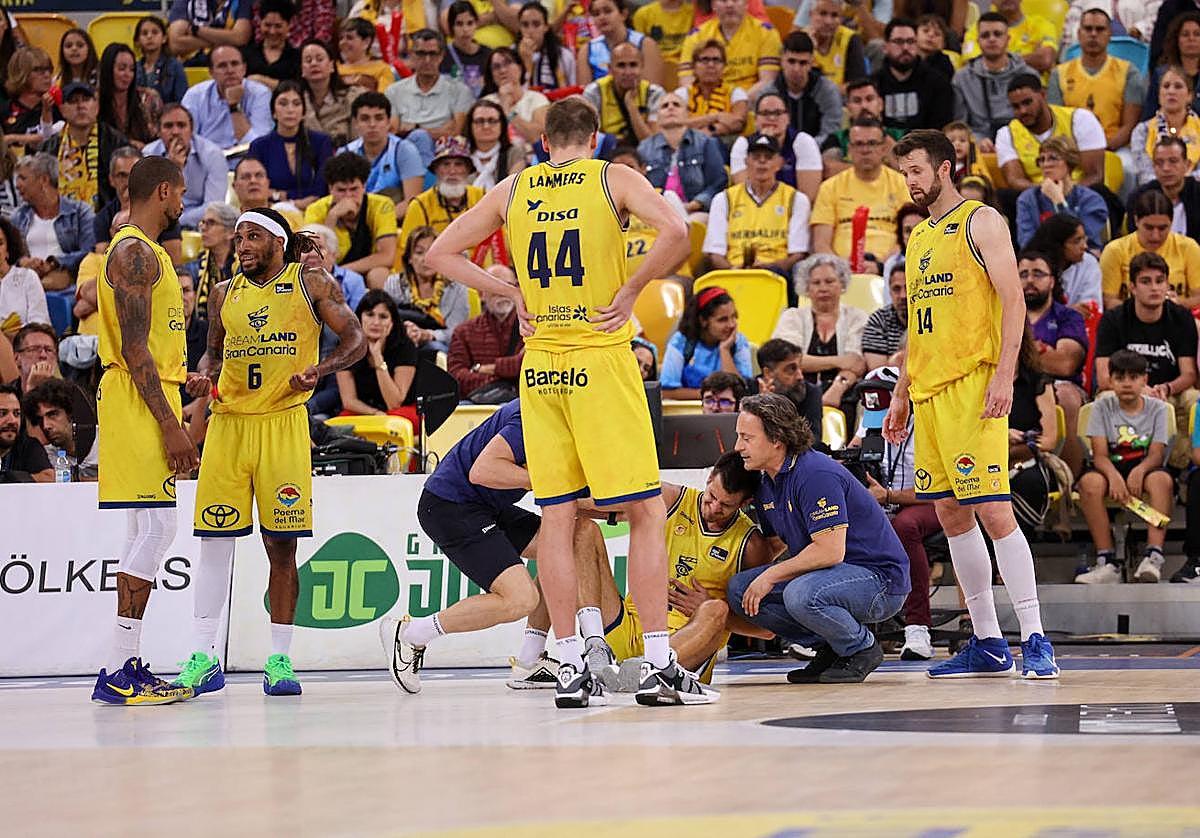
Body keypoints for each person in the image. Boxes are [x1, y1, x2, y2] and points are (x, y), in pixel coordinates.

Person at [423, 96, 705, 708]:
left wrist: (507, 288)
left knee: (556, 515)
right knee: (645, 512)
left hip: (543, 366)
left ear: (544, 142)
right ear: (596, 138)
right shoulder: (614, 177)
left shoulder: (515, 188)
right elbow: (679, 231)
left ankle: (570, 661)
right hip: (600, 356)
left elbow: (437, 254)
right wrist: (631, 291)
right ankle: (659, 662)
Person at [172, 207, 366, 698]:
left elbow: (356, 339)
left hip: (283, 425)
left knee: (282, 546)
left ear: (277, 242)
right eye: (238, 238)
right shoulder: (222, 293)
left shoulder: (311, 282)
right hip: (229, 427)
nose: (241, 245)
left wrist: (319, 371)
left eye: (252, 236)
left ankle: (279, 658)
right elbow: (213, 355)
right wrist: (204, 379)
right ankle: (202, 655)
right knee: (214, 543)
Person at [887, 128, 1059, 679]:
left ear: (944, 168)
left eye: (915, 170)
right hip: (930, 392)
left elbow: (1014, 299)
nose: (909, 182)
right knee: (950, 512)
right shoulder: (917, 239)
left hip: (975, 384)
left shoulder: (980, 220)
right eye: (904, 172)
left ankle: (1035, 637)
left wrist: (1005, 373)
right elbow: (917, 323)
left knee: (992, 509)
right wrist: (899, 392)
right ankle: (987, 640)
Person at [379, 399, 611, 694]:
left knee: (580, 534)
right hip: (450, 507)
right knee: (520, 599)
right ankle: (411, 634)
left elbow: (574, 498)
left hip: (488, 506)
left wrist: (634, 510)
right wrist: (549, 484)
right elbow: (483, 471)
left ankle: (539, 657)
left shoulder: (575, 419)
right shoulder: (536, 416)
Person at [89, 156, 199, 706]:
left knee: (143, 532)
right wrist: (169, 424)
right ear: (162, 191)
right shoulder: (135, 251)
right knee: (156, 531)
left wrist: (184, 380)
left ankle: (123, 664)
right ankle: (117, 667)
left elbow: (149, 346)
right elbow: (134, 350)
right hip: (137, 402)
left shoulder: (142, 251)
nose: (183, 204)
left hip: (147, 393)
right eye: (180, 193)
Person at [728, 393, 909, 682]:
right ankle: (831, 646)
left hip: (879, 581)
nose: (738, 447)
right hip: (828, 575)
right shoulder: (766, 481)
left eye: (747, 438)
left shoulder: (815, 473)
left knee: (799, 594)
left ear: (777, 439)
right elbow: (775, 546)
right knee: (740, 589)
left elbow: (830, 552)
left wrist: (770, 576)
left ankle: (861, 648)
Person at [588, 452, 775, 684]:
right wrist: (559, 502)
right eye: (711, 497)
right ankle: (592, 648)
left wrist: (705, 608)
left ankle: (654, 668)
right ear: (709, 480)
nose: (714, 508)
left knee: (716, 608)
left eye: (725, 505)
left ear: (745, 504)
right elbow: (600, 505)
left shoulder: (751, 545)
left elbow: (767, 630)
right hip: (627, 625)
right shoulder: (672, 499)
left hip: (683, 653)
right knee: (583, 533)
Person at [1074, 350, 1175, 585]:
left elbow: (1157, 454)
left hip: (1147, 466)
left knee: (1162, 481)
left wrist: (1139, 471)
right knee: (1089, 483)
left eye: (1133, 377)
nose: (1127, 383)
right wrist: (1115, 477)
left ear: (1144, 380)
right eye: (1120, 378)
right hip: (1110, 465)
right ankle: (1107, 560)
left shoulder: (1158, 408)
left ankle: (1154, 556)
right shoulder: (1101, 407)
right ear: (1110, 381)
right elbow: (1099, 455)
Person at [1095, 251, 1199, 468]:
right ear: (1132, 287)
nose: (1155, 287)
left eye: (1160, 281)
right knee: (1104, 398)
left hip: (1168, 391)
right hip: (1124, 388)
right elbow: (1104, 376)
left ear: (1168, 285)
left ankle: (1182, 469)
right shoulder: (1114, 319)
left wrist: (1166, 389)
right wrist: (1141, 389)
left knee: (1193, 400)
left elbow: (1189, 373)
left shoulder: (1181, 317)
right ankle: (1111, 463)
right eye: (1146, 281)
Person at [1020, 249, 1088, 479]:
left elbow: (1065, 364)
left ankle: (1067, 478)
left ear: (1052, 280)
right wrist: (1042, 352)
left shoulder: (1069, 317)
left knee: (1067, 396)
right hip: (1017, 385)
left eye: (1038, 274)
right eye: (1023, 274)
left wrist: (1018, 353)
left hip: (1062, 386)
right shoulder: (1003, 315)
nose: (1030, 280)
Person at [704, 133, 811, 277]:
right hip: (733, 272)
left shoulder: (796, 199)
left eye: (768, 157)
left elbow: (797, 254)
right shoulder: (724, 199)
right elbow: (715, 254)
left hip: (778, 274)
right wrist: (732, 270)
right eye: (756, 157)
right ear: (746, 162)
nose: (762, 162)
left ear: (780, 163)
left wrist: (769, 269)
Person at [773, 253, 867, 410]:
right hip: (796, 393)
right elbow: (787, 360)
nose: (823, 288)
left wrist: (837, 389)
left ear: (842, 284)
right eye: (816, 283)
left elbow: (856, 365)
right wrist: (839, 361)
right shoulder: (792, 316)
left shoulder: (857, 317)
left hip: (844, 393)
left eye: (829, 281)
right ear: (806, 288)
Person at [810, 115, 910, 261]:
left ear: (883, 148)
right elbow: (821, 244)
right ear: (850, 149)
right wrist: (843, 269)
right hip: (842, 270)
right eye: (859, 144)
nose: (865, 150)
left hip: (892, 268)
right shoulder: (830, 187)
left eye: (871, 143)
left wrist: (882, 266)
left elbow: (911, 236)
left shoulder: (903, 185)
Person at [1048, 9, 1144, 159]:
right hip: (1071, 149)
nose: (1093, 34)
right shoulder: (1059, 74)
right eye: (1088, 29)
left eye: (1100, 29)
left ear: (1109, 35)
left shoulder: (1128, 72)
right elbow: (1056, 124)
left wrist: (1102, 148)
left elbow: (1129, 126)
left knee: (1127, 169)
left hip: (1115, 147)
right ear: (1079, 34)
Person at [996, 73, 1107, 197]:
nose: (1023, 111)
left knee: (1099, 190)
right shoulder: (1006, 133)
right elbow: (1014, 181)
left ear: (1043, 95)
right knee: (1005, 196)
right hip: (1037, 197)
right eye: (1016, 106)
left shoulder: (1079, 119)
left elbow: (1095, 175)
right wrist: (1049, 191)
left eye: (1027, 102)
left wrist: (1066, 192)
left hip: (1080, 193)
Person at [304, 151, 398, 289]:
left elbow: (387, 256)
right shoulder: (315, 209)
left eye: (354, 189)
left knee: (378, 275)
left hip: (365, 269)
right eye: (341, 190)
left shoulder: (382, 205)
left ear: (364, 186)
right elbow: (314, 254)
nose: (348, 196)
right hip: (328, 271)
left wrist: (343, 272)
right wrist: (332, 217)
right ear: (330, 189)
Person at [38, 82, 128, 214]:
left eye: (86, 99)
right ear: (62, 109)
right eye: (73, 101)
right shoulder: (48, 149)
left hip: (105, 223)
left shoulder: (116, 143)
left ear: (96, 106)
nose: (81, 106)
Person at [1101, 188, 1200, 309]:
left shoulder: (1188, 247)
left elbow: (1198, 298)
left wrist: (1175, 305)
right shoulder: (1115, 250)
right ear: (1136, 221)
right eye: (1149, 227)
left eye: (1162, 228)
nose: (1155, 236)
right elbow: (1109, 301)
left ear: (1172, 222)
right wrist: (1144, 308)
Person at [12, 153, 95, 292]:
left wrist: (54, 263)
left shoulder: (80, 212)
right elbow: (8, 255)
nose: (17, 185)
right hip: (28, 277)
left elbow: (90, 251)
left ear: (44, 180)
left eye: (23, 178)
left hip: (67, 278)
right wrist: (23, 262)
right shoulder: (18, 217)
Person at [384, 30, 473, 158]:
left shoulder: (460, 91)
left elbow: (455, 132)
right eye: (421, 54)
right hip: (404, 155)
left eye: (433, 54)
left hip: (445, 156)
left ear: (442, 56)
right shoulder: (394, 91)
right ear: (411, 55)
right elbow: (393, 132)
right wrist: (441, 130)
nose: (427, 60)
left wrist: (414, 128)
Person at [335, 288, 419, 423]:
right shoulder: (346, 346)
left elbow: (394, 402)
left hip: (401, 411)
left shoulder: (405, 346)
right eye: (370, 314)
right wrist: (374, 413)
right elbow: (349, 400)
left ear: (392, 322)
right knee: (341, 423)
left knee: (397, 421)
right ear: (359, 318)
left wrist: (377, 357)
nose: (376, 322)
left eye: (383, 317)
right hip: (364, 410)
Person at [638, 93, 727, 220]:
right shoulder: (644, 148)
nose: (670, 108)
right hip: (658, 213)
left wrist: (694, 204)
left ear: (687, 114)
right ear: (657, 117)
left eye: (676, 105)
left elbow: (718, 182)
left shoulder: (706, 142)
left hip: (696, 212)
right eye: (664, 106)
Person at [384, 225, 470, 356]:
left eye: (432, 251)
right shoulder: (394, 284)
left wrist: (429, 335)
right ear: (409, 258)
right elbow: (386, 320)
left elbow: (458, 331)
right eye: (419, 252)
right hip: (402, 341)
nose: (426, 258)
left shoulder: (457, 286)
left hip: (442, 347)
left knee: (434, 349)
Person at [248, 80, 334, 210]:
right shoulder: (259, 146)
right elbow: (256, 188)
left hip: (313, 210)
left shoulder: (321, 142)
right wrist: (291, 202)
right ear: (273, 112)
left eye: (296, 104)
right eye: (283, 104)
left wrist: (281, 195)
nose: (290, 110)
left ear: (303, 112)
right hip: (270, 211)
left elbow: (322, 188)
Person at [1014, 136, 1108, 250]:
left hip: (1082, 262)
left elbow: (1083, 242)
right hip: (1044, 262)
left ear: (1069, 162)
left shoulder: (1091, 200)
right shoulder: (1027, 199)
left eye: (1053, 158)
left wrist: (1059, 202)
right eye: (1041, 160)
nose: (1046, 164)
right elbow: (1027, 244)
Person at [340, 93, 424, 219]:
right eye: (365, 118)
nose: (372, 124)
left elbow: (412, 203)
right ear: (355, 123)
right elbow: (338, 198)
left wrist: (379, 221)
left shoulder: (405, 150)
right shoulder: (345, 153)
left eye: (379, 118)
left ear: (389, 122)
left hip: (394, 221)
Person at [143, 106, 228, 231]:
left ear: (191, 130)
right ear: (158, 131)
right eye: (168, 126)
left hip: (199, 226)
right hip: (159, 227)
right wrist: (172, 171)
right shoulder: (148, 155)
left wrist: (176, 219)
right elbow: (148, 202)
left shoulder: (212, 154)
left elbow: (213, 206)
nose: (175, 132)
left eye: (181, 125)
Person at [661, 287, 754, 399]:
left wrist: (725, 350)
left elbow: (741, 392)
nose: (731, 325)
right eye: (722, 320)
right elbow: (666, 392)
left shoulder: (739, 342)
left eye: (734, 317)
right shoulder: (680, 342)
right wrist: (711, 397)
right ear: (703, 320)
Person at [447, 272, 526, 403]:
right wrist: (503, 378)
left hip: (521, 399)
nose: (502, 293)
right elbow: (456, 376)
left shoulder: (530, 326)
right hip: (478, 399)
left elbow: (526, 364)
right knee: (461, 408)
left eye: (508, 286)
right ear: (481, 293)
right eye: (494, 287)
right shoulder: (463, 331)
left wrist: (483, 369)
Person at [729, 91, 822, 202]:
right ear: (755, 119)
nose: (772, 118)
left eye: (778, 113)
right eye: (765, 113)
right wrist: (766, 143)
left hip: (793, 210)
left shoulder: (803, 141)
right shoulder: (743, 144)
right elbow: (746, 193)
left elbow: (808, 197)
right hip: (753, 210)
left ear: (788, 118)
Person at [180, 45, 273, 155]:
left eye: (235, 64)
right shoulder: (195, 95)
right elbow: (187, 141)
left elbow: (258, 146)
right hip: (206, 162)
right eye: (222, 66)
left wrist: (234, 106)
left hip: (247, 163)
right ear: (211, 72)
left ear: (244, 68)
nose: (230, 70)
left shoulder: (260, 94)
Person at [397, 136, 485, 251]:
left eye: (458, 164)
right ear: (436, 170)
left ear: (468, 170)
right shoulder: (420, 205)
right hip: (434, 267)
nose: (452, 171)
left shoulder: (482, 197)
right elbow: (407, 250)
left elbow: (502, 242)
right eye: (446, 164)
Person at [679, 0, 782, 94]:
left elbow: (767, 82)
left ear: (747, 4)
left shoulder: (767, 33)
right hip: (706, 104)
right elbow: (687, 82)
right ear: (713, 5)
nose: (730, 5)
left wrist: (738, 103)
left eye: (735, 0)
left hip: (751, 103)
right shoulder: (696, 37)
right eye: (723, 0)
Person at [873, 17, 954, 133]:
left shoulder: (938, 83)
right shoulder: (874, 84)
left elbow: (940, 131)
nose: (905, 48)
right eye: (898, 42)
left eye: (910, 41)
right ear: (885, 47)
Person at [582, 42, 664, 147]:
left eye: (633, 65)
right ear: (610, 69)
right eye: (621, 65)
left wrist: (631, 106)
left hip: (643, 154)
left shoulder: (654, 94)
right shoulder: (595, 92)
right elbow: (590, 141)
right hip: (607, 153)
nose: (628, 72)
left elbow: (652, 145)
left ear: (642, 67)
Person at [770, 31, 843, 148]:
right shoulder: (769, 93)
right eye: (791, 61)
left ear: (811, 63)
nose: (796, 69)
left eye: (803, 63)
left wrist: (804, 149)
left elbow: (830, 134)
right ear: (782, 59)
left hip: (818, 153)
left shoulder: (827, 91)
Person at [1132, 66, 1200, 185]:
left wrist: (1182, 185)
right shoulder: (1142, 131)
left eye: (1178, 86)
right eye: (1166, 86)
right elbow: (1144, 174)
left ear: (1190, 96)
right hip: (1155, 192)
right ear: (1159, 96)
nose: (1171, 91)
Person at [1126, 135, 1200, 241]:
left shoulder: (1197, 193)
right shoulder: (1139, 197)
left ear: (1187, 165)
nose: (1166, 168)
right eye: (1159, 163)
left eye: (1173, 161)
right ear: (1153, 167)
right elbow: (1134, 240)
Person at [23, 377, 98, 480]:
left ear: (70, 413)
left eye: (52, 414)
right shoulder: (47, 457)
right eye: (40, 419)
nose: (46, 426)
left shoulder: (106, 441)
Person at [297, 39, 366, 149]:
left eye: (319, 59)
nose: (314, 63)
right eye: (308, 60)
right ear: (302, 70)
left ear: (331, 66)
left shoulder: (352, 97)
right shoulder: (296, 101)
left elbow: (359, 143)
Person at [679, 39, 749, 145]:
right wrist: (715, 117)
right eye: (705, 60)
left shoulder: (735, 92)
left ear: (724, 66)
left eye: (716, 60)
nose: (711, 65)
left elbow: (738, 122)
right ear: (694, 67)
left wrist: (710, 130)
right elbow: (676, 125)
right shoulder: (682, 94)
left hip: (725, 144)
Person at [579, 0, 665, 86]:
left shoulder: (646, 44)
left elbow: (653, 91)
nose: (602, 17)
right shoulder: (587, 50)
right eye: (596, 14)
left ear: (623, 14)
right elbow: (585, 93)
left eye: (608, 11)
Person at [1026, 212, 1102, 310]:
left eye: (1084, 239)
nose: (1084, 246)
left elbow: (1091, 308)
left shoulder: (1089, 263)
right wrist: (1068, 312)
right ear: (1058, 245)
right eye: (1077, 241)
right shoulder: (1033, 266)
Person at [961, 0, 1056, 75]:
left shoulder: (1042, 25)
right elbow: (973, 65)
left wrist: (995, 60)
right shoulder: (978, 30)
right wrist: (1030, 58)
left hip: (1032, 91)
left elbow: (1045, 60)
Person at [483, 46, 551, 145]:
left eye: (507, 63)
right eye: (496, 67)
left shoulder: (537, 99)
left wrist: (508, 111)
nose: (502, 70)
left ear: (520, 67)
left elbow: (539, 137)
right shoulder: (486, 103)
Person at [183, 202, 239, 320]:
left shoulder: (244, 268)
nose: (203, 228)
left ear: (230, 232)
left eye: (211, 223)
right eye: (203, 222)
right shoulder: (193, 269)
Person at [98, 44, 158, 148]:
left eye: (132, 69)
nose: (127, 74)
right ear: (107, 69)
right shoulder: (94, 101)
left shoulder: (148, 98)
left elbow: (159, 139)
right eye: (122, 69)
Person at [2, 46, 59, 150]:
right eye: (38, 70)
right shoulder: (5, 110)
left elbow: (58, 131)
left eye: (49, 69)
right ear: (21, 73)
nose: (47, 75)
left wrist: (13, 138)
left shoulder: (55, 106)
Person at [801, 0, 866, 90]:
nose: (828, 21)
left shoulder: (851, 38)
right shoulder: (800, 40)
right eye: (823, 14)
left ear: (842, 18)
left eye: (834, 15)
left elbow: (858, 83)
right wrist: (808, 50)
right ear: (811, 15)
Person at [464, 99, 527, 192]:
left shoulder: (514, 153)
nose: (486, 126)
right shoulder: (461, 153)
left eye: (492, 121)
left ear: (502, 125)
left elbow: (512, 191)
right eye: (479, 121)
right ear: (470, 126)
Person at [1147, 11, 1200, 115]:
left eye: (1197, 34)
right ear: (1176, 40)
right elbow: (1149, 115)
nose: (1191, 39)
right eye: (1185, 34)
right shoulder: (1161, 74)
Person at [0, 216, 48, 330]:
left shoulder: (28, 278)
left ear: (8, 249)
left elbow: (39, 323)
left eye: (0, 243)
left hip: (26, 343)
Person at [167, 0, 253, 63]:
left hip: (229, 64)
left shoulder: (243, 2)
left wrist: (196, 31)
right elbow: (176, 44)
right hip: (190, 65)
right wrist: (225, 39)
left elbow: (240, 38)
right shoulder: (184, 2)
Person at [241, 0, 301, 90]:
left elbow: (298, 88)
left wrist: (261, 80)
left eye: (278, 26)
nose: (272, 31)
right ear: (260, 23)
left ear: (289, 26)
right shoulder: (246, 54)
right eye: (267, 25)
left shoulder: (297, 57)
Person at [517, 1, 575, 91]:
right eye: (525, 25)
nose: (530, 30)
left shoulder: (564, 55)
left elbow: (573, 91)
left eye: (536, 24)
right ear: (520, 28)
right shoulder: (510, 56)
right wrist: (526, 64)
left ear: (546, 27)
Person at [0, 382, 51, 482]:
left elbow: (49, 477)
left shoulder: (28, 445)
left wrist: (7, 479)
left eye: (17, 413)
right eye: (2, 413)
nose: (12, 420)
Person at [862, 261, 908, 371]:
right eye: (896, 289)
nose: (903, 295)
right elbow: (879, 374)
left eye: (909, 288)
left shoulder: (933, 317)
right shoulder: (879, 320)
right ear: (889, 291)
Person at [442, 2, 492, 97]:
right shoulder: (443, 55)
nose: (465, 29)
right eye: (459, 24)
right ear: (451, 27)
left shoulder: (488, 54)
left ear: (476, 24)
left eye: (470, 23)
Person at [134, 16, 188, 105]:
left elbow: (182, 101)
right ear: (138, 41)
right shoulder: (134, 68)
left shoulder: (175, 66)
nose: (149, 36)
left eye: (155, 32)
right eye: (144, 33)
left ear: (164, 38)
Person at [337, 17, 396, 94]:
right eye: (341, 38)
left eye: (349, 38)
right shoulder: (333, 69)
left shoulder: (382, 69)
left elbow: (383, 101)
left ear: (366, 42)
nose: (343, 42)